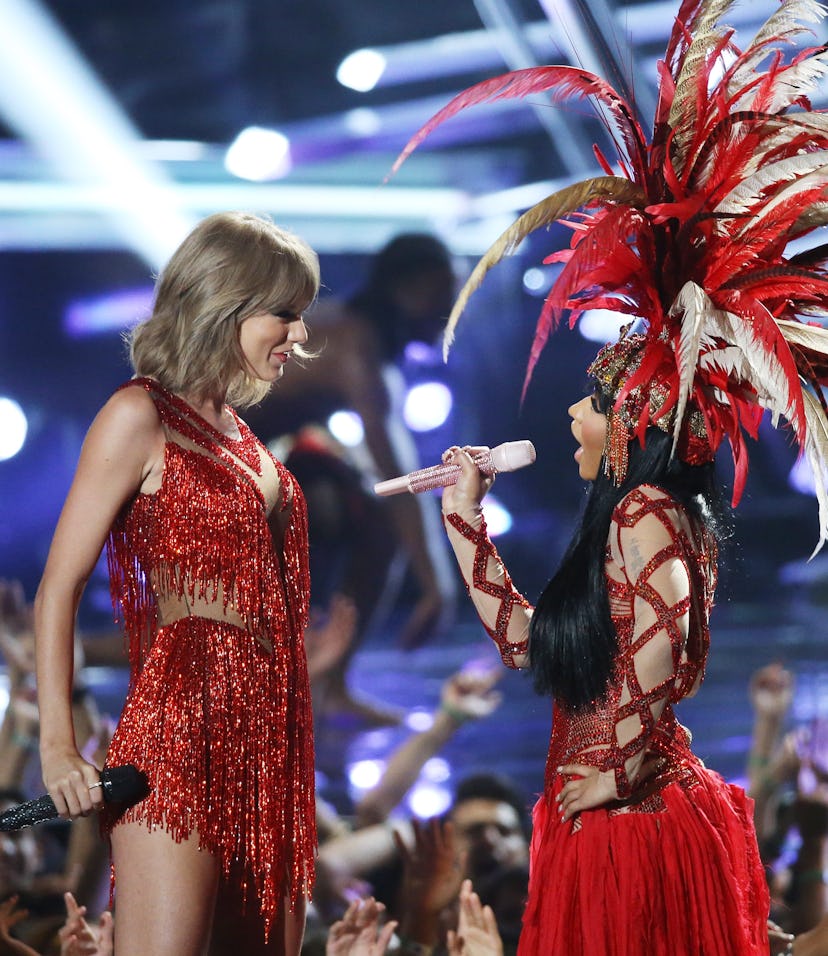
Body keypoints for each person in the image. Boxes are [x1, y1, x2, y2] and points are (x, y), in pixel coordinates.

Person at [32, 211, 320, 956]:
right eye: (284, 314)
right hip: (180, 734)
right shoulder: (138, 415)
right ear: (225, 300)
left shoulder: (245, 435)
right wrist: (59, 748)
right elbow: (58, 588)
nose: (300, 337)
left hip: (271, 740)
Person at [243, 234, 458, 728]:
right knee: (370, 516)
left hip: (237, 461)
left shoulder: (353, 334)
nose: (449, 309)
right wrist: (436, 585)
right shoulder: (354, 343)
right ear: (405, 288)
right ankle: (68, 652)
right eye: (442, 292)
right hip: (189, 469)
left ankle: (329, 686)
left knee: (361, 510)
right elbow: (399, 477)